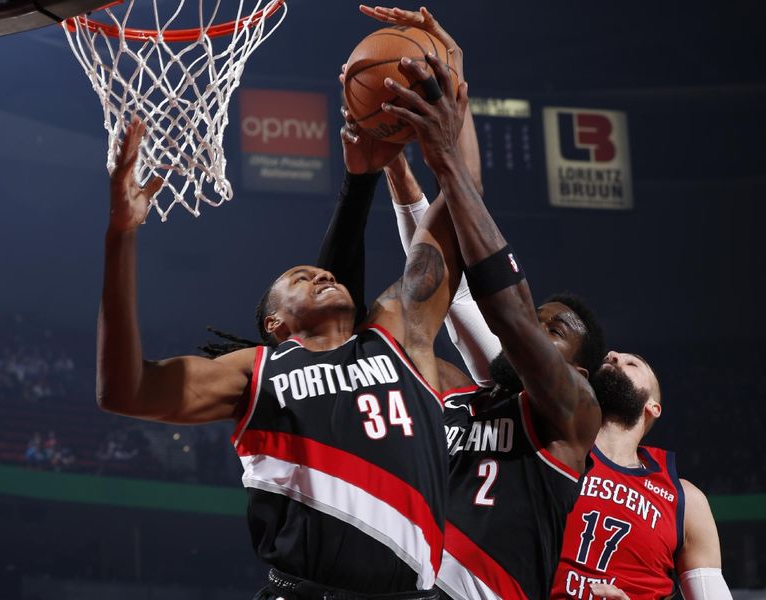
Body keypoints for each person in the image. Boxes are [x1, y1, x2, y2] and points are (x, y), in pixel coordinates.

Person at [97, 109, 464, 597]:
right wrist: (121, 235)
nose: (322, 275)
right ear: (276, 324)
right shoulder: (258, 370)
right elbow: (125, 391)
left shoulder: (398, 338)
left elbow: (458, 215)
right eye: (300, 278)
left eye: (324, 274)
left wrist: (442, 131)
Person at [345, 7, 606, 599]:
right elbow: (443, 273)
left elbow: (504, 311)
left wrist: (442, 155)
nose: (536, 325)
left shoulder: (574, 419)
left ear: (580, 374)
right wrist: (450, 90)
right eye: (541, 316)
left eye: (554, 330)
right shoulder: (455, 390)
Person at [550, 351, 734, 600]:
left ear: (653, 407)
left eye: (632, 362)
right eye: (609, 358)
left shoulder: (686, 501)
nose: (612, 355)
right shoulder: (549, 455)